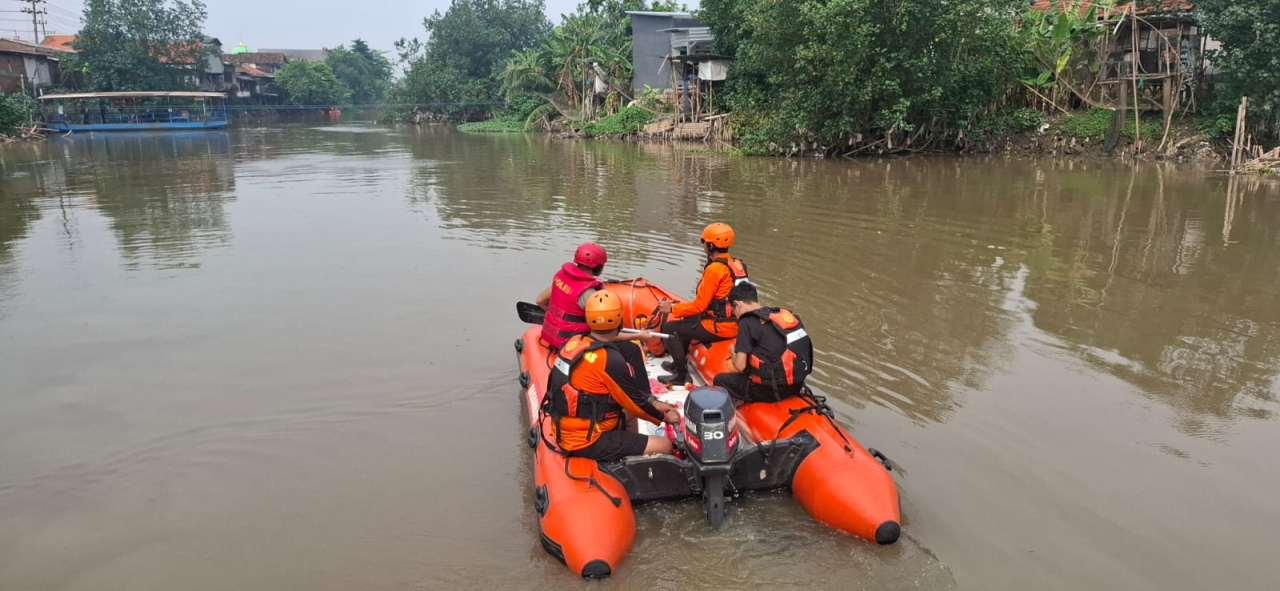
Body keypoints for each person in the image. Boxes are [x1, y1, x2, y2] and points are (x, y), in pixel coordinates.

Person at [544, 291, 680, 461]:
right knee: (664, 445)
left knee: (629, 414)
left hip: (566, 428)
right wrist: (665, 417)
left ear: (588, 320)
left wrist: (654, 402)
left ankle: (629, 454)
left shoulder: (575, 343)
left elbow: (629, 398)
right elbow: (635, 403)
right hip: (586, 439)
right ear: (620, 321)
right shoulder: (610, 359)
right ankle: (628, 460)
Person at [657, 222, 749, 384]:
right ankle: (676, 364)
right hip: (733, 322)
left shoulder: (715, 269)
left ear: (711, 245)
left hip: (721, 327)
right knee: (687, 320)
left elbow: (700, 305)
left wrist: (671, 308)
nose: (703, 246)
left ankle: (681, 375)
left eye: (704, 242)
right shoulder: (737, 265)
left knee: (670, 329)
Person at [712, 282, 813, 403]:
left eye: (733, 312)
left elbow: (740, 366)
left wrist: (733, 352)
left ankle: (735, 410)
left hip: (771, 392)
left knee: (719, 380)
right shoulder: (780, 316)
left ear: (737, 304)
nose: (735, 316)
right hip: (796, 385)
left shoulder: (746, 322)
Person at [536, 243, 608, 349]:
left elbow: (540, 301)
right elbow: (604, 331)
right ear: (598, 267)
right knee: (629, 348)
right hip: (570, 343)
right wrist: (637, 336)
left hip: (549, 335)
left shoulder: (561, 275)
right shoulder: (588, 293)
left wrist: (556, 319)